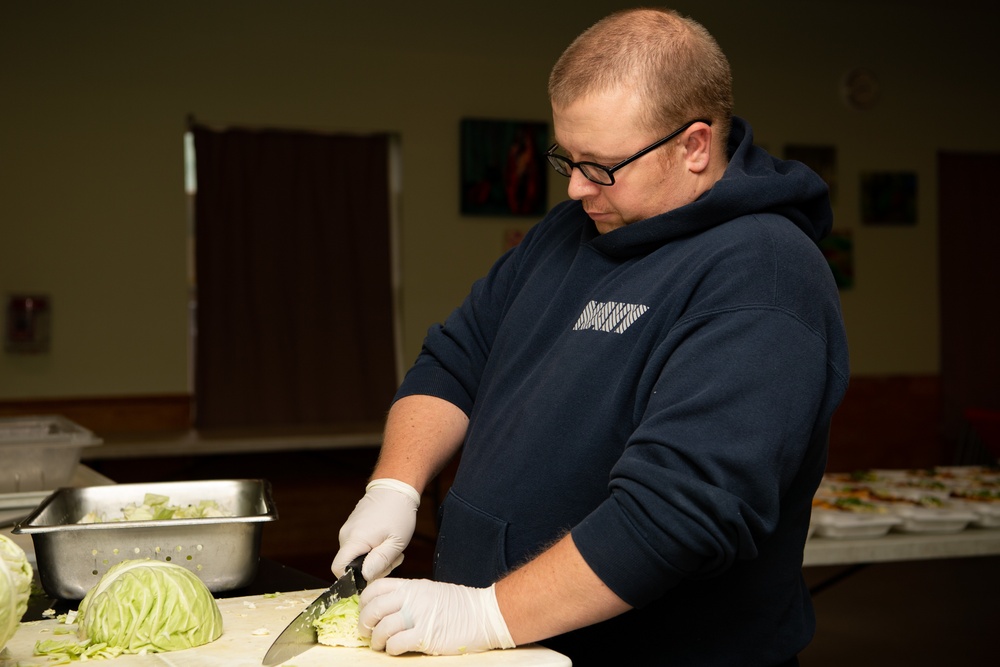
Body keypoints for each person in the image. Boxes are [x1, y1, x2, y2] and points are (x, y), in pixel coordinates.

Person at [332, 7, 849, 666]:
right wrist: (395, 487)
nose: (576, 188)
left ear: (694, 146)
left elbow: (677, 513)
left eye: (601, 166)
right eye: (566, 159)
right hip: (505, 645)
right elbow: (456, 359)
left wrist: (485, 612)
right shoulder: (569, 229)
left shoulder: (764, 273)